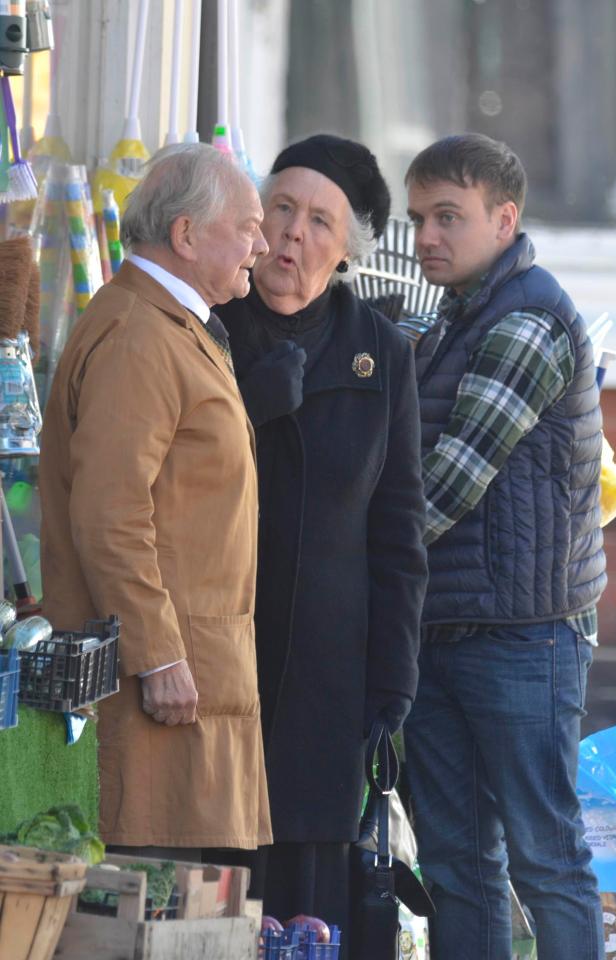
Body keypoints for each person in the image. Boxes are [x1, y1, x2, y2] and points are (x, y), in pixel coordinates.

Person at [215, 134, 428, 949]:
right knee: (217, 867)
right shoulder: (209, 323)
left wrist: (393, 678)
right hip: (216, 656)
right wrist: (248, 407)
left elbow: (399, 531)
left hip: (327, 673)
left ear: (344, 253)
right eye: (281, 208)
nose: (293, 234)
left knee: (307, 889)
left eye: (319, 222)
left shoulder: (383, 353)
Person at [402, 133, 607, 960]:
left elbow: (444, 487)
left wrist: (344, 564)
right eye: (418, 218)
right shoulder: (457, 316)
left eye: (448, 217)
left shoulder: (525, 319)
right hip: (447, 628)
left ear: (505, 217)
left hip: (523, 638)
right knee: (457, 865)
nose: (425, 238)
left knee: (545, 860)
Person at [38, 143, 272, 859]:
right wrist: (158, 654)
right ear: (186, 235)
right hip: (157, 684)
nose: (262, 246)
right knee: (147, 898)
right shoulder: (141, 334)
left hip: (191, 674)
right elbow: (111, 514)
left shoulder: (164, 324)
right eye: (249, 225)